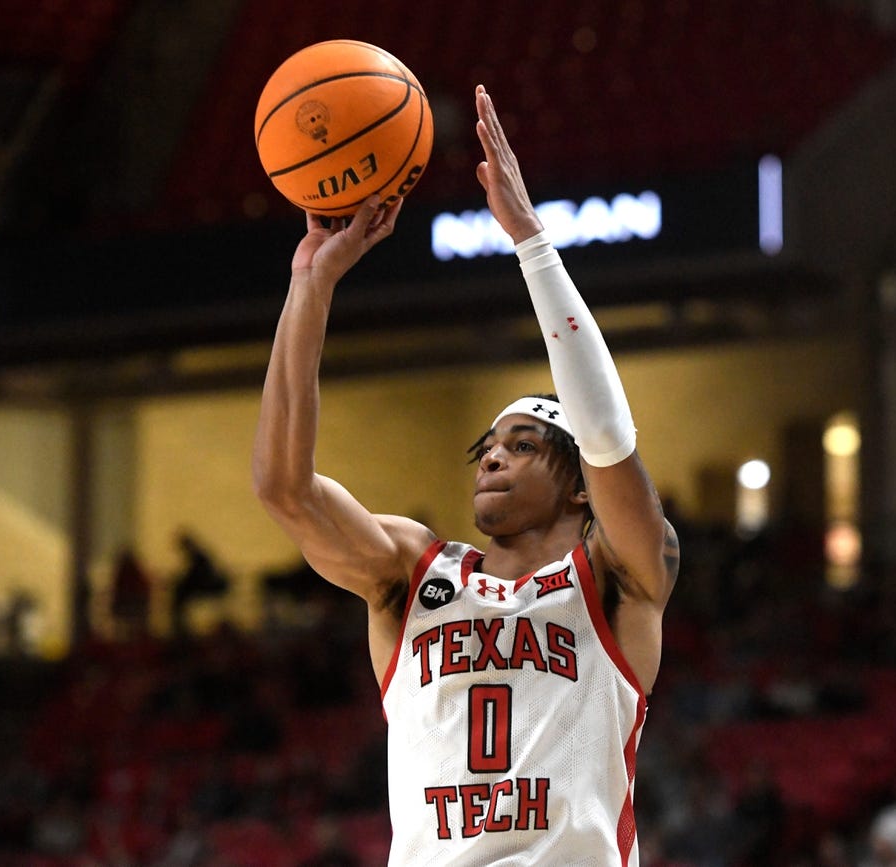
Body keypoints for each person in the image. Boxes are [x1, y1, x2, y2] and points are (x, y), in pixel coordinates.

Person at [253, 84, 680, 865]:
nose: (491, 455)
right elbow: (285, 487)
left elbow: (610, 437)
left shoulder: (619, 579)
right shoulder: (409, 572)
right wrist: (309, 289)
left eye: (521, 444)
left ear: (577, 481)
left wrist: (534, 246)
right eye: (488, 443)